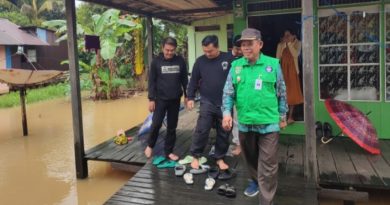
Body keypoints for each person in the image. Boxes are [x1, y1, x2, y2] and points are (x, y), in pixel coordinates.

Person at [222, 28, 288, 204]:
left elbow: (281, 91)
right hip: (245, 123)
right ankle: (254, 180)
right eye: (243, 44)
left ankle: (266, 200)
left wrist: (282, 116)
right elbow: (228, 93)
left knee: (268, 165)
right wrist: (227, 113)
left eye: (249, 43)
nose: (245, 47)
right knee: (250, 159)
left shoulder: (273, 64)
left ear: (260, 44)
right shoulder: (236, 67)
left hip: (268, 124)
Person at [187, 35, 232, 171]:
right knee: (202, 129)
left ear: (217, 47)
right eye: (205, 51)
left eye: (210, 51)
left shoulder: (228, 58)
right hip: (207, 101)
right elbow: (193, 80)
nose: (207, 54)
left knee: (224, 131)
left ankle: (219, 157)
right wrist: (190, 97)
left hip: (225, 103)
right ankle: (196, 156)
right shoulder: (200, 62)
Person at [145, 37, 188, 161]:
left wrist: (187, 96)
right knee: (156, 123)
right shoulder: (156, 62)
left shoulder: (180, 61)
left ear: (175, 49)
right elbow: (152, 82)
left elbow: (184, 80)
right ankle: (150, 145)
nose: (169, 53)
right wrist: (151, 99)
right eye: (167, 50)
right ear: (162, 48)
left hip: (175, 100)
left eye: (172, 50)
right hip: (160, 100)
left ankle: (169, 151)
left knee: (172, 126)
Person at [276, 29, 303, 124]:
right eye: (285, 35)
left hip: (293, 72)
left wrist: (290, 44)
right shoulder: (280, 45)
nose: (287, 37)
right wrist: (284, 45)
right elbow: (277, 58)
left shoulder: (298, 43)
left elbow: (296, 54)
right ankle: (283, 117)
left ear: (293, 35)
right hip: (283, 71)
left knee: (293, 94)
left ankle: (290, 116)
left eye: (289, 35)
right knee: (283, 93)